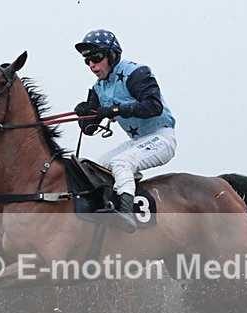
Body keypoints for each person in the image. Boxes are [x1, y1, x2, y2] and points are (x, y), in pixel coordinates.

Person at [73, 29, 177, 233]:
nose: (92, 65)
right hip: (138, 141)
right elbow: (90, 129)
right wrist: (83, 115)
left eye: (96, 58)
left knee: (121, 162)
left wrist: (114, 109)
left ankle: (127, 212)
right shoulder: (98, 88)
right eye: (87, 61)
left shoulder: (136, 73)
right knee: (93, 167)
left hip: (161, 137)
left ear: (112, 55)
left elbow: (153, 106)